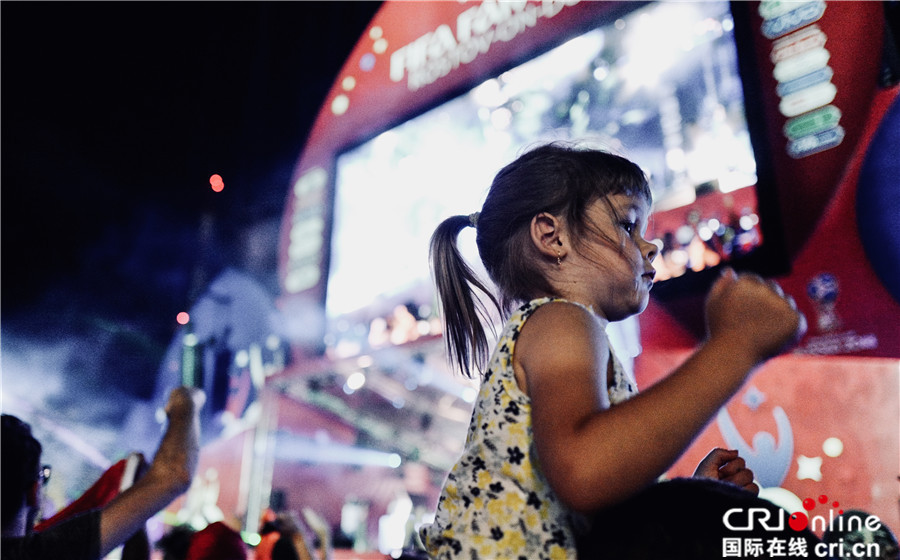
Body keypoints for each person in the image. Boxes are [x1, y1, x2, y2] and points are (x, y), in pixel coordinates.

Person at [419, 142, 807, 559]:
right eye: (627, 224)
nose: (650, 246)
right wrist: (736, 347)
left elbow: (584, 505)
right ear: (552, 236)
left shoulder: (558, 327)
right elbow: (583, 471)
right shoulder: (562, 321)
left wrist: (687, 500)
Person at [1, 386, 205, 560]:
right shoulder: (36, 554)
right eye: (43, 476)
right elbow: (174, 475)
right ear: (32, 491)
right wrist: (186, 402)